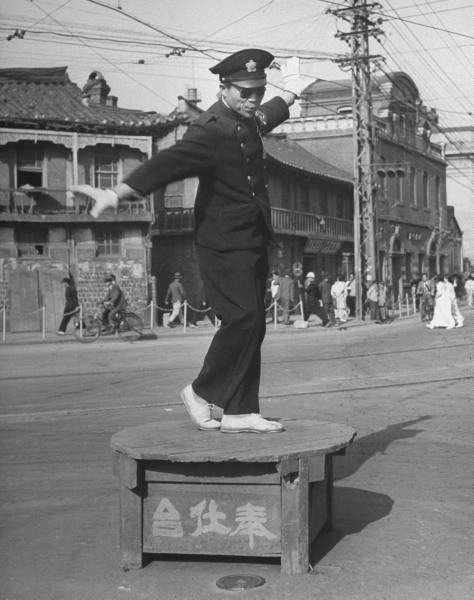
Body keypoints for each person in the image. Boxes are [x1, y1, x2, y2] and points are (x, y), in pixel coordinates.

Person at [69, 50, 309, 434]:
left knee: (253, 326)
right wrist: (117, 193)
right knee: (242, 318)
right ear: (224, 89)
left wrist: (293, 93)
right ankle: (200, 393)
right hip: (221, 243)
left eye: (259, 91)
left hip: (251, 238)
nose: (253, 99)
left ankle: (238, 410)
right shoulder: (209, 129)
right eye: (244, 92)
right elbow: (169, 163)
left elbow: (266, 115)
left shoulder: (247, 118)